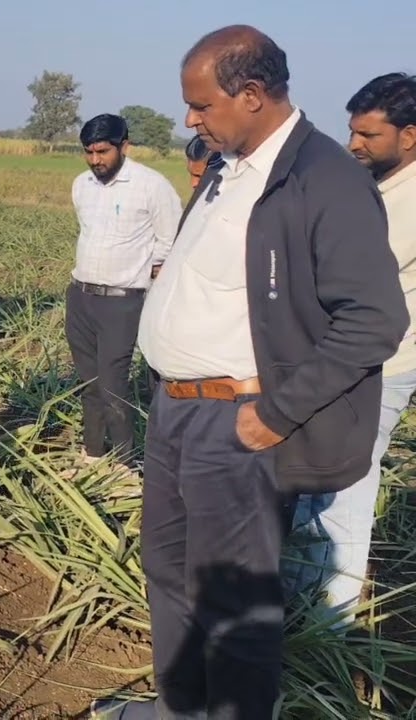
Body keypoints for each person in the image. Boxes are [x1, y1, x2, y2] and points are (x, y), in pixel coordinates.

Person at [95, 25, 408, 720]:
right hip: (177, 410)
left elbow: (375, 319)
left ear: (254, 95)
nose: (190, 120)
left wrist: (275, 412)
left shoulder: (323, 180)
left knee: (234, 599)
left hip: (236, 421)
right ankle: (183, 708)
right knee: (170, 570)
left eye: (201, 105)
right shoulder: (228, 170)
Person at [289, 72, 416, 628]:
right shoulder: (379, 186)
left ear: (409, 136)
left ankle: (327, 622)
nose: (353, 144)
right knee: (315, 480)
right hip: (342, 360)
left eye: (367, 134)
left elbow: (339, 270)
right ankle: (300, 594)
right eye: (351, 131)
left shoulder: (409, 201)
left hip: (380, 366)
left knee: (344, 490)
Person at [66, 114, 181, 473]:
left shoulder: (151, 186)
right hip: (81, 296)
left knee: (114, 384)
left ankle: (124, 464)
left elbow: (171, 238)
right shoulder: (81, 185)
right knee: (89, 383)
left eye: (102, 151)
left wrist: (147, 272)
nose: (95, 159)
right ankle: (92, 455)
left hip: (122, 301)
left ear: (124, 146)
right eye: (89, 152)